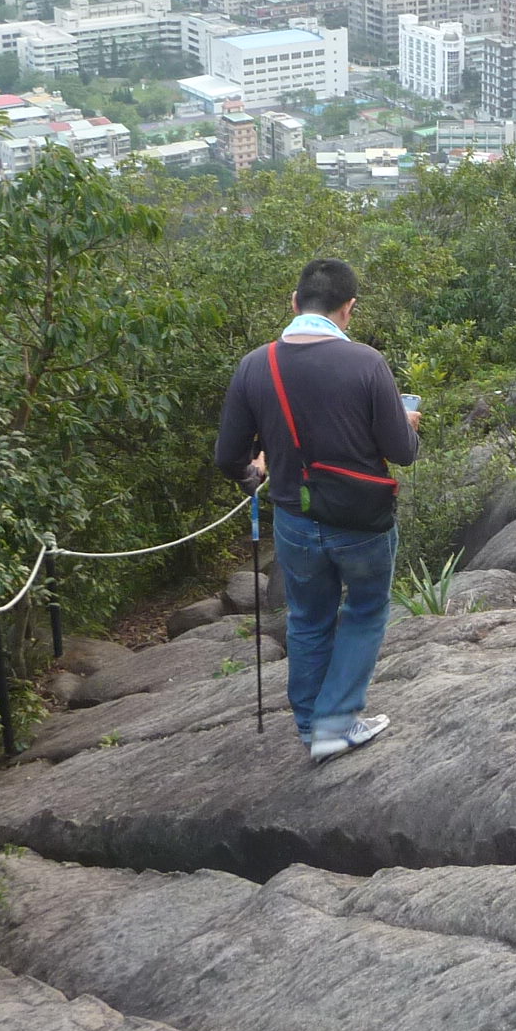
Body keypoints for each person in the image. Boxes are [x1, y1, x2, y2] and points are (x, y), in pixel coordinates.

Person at [213, 259, 420, 764]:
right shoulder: (367, 363)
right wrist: (408, 421)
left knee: (307, 619)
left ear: (294, 302)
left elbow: (227, 457)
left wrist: (255, 473)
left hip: (295, 522)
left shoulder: (254, 365)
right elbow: (403, 451)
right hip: (361, 523)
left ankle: (311, 727)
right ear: (348, 310)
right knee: (366, 610)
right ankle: (337, 722)